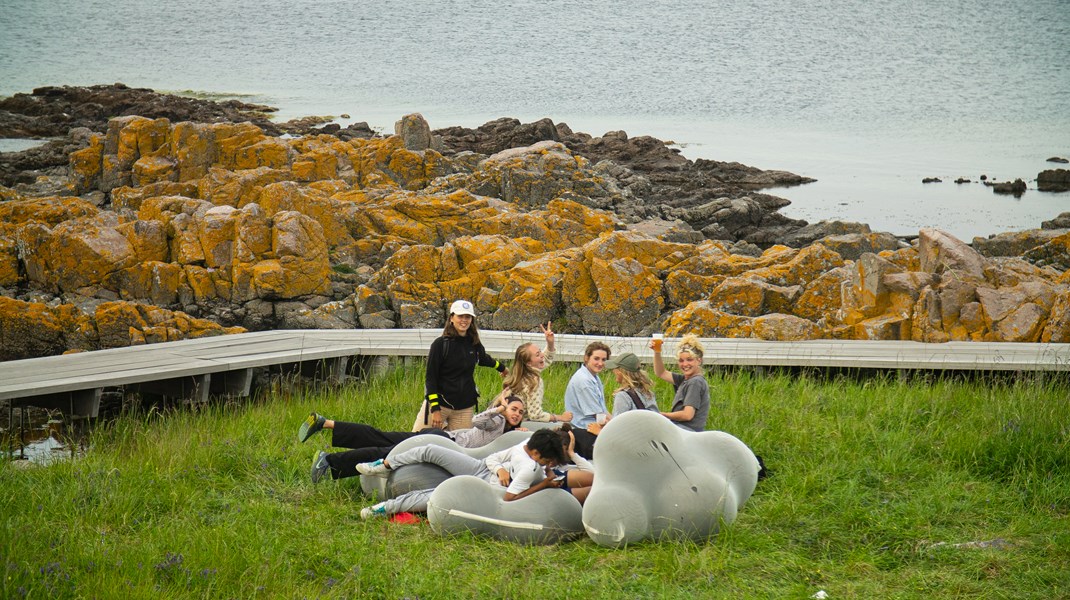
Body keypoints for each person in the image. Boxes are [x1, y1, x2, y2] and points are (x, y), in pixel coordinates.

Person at [301, 395, 527, 483]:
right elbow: (477, 420)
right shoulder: (495, 422)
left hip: (439, 438)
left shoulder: (510, 433)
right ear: (506, 409)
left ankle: (326, 423)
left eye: (520, 412)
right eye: (514, 409)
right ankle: (329, 462)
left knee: (382, 437)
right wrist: (499, 409)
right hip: (444, 441)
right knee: (387, 453)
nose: (516, 413)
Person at [356, 428, 567, 519]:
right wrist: (501, 469)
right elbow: (493, 462)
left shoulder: (531, 467)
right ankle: (384, 464)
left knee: (432, 495)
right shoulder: (525, 450)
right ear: (536, 452)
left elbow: (507, 496)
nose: (549, 465)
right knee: (430, 449)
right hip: (482, 468)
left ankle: (383, 509)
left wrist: (545, 479)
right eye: (548, 461)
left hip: (488, 488)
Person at [413, 299, 507, 432]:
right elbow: (431, 378)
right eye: (460, 316)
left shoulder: (473, 343)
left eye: (467, 317)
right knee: (417, 439)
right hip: (439, 405)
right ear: (451, 318)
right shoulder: (440, 344)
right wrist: (435, 409)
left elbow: (483, 359)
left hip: (464, 407)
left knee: (460, 447)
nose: (464, 320)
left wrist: (502, 368)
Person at [499, 322, 572, 424]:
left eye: (540, 351)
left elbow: (545, 359)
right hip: (521, 425)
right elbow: (535, 415)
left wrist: (550, 343)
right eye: (538, 354)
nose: (542, 355)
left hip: (509, 423)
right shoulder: (534, 381)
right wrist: (559, 417)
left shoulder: (521, 374)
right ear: (529, 363)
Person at [652, 333, 710, 432]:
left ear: (699, 361)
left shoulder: (695, 382)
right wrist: (657, 352)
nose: (685, 364)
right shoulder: (685, 380)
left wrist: (662, 415)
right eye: (681, 361)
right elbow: (661, 373)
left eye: (689, 360)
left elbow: (687, 415)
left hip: (686, 432)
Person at [563, 341, 611, 428]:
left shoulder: (593, 377)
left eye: (603, 360)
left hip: (592, 425)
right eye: (596, 359)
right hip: (583, 427)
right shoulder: (584, 381)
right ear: (586, 358)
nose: (600, 363)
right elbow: (599, 415)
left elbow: (603, 411)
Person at [603, 352, 658, 418]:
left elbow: (618, 425)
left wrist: (599, 428)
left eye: (615, 368)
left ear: (621, 372)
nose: (613, 371)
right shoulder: (648, 393)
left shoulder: (622, 396)